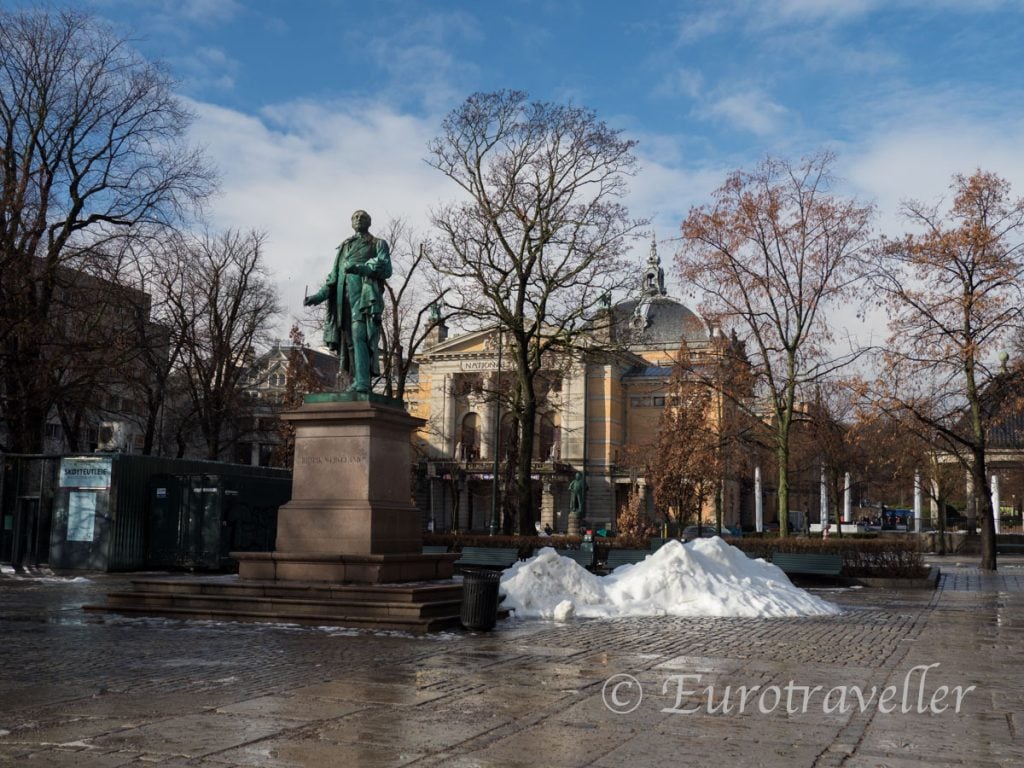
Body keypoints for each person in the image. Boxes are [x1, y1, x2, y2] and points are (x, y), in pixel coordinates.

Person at [305, 210, 392, 393]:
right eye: (355, 217)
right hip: (342, 303)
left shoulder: (377, 243)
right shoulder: (345, 246)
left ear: (369, 222)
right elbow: (333, 278)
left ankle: (362, 383)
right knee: (350, 343)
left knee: (360, 337)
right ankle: (355, 382)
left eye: (362, 217)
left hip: (364, 299)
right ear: (351, 222)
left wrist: (361, 268)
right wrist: (318, 297)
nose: (358, 219)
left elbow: (385, 268)